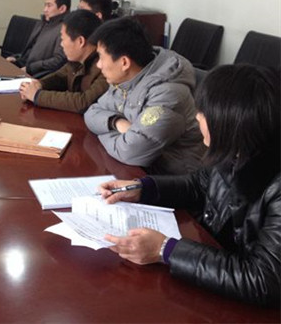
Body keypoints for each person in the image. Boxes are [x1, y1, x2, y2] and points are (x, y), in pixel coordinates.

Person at [99, 64, 280, 307]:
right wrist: (142, 188)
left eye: (204, 112)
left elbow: (263, 279)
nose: (197, 117)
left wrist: (166, 249)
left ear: (230, 122)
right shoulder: (236, 150)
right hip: (214, 270)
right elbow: (199, 185)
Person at [84, 18, 204, 176]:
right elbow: (91, 113)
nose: (98, 65)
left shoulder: (168, 94)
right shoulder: (127, 78)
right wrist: (116, 122)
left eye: (101, 57)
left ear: (124, 62)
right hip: (136, 170)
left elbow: (130, 152)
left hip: (171, 179)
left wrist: (102, 131)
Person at [19, 9, 108, 113]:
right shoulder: (76, 61)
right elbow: (60, 76)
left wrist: (37, 95)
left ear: (80, 41)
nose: (61, 45)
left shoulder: (106, 67)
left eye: (63, 39)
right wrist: (39, 84)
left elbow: (84, 102)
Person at [6, 0, 70, 78]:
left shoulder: (64, 29)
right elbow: (31, 49)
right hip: (25, 67)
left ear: (62, 9)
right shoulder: (43, 23)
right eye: (45, 5)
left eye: (49, 6)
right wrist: (17, 59)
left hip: (38, 75)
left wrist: (30, 68)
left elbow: (58, 61)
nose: (45, 10)